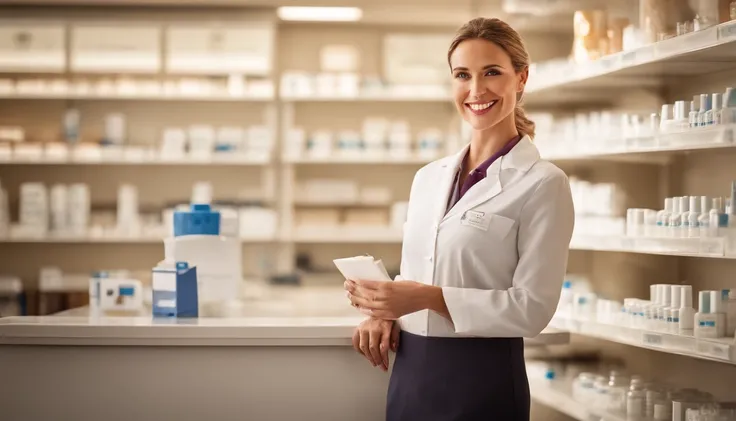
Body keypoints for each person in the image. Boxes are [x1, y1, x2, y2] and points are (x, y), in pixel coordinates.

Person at [344, 17, 575, 421]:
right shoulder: (428, 178)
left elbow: (533, 309)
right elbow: (419, 270)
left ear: (521, 79)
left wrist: (425, 298)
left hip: (483, 379)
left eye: (492, 73)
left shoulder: (543, 184)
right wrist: (382, 312)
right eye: (462, 75)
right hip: (411, 375)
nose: (476, 90)